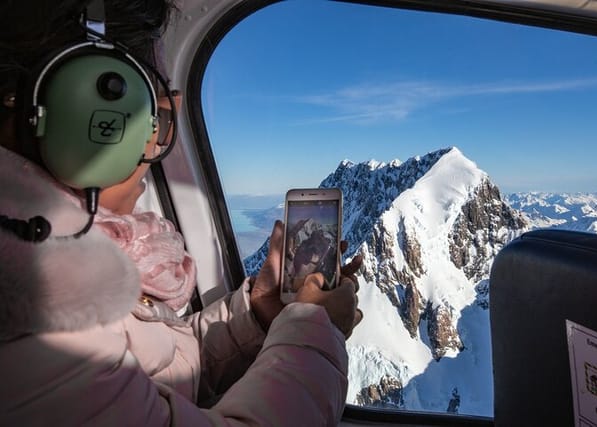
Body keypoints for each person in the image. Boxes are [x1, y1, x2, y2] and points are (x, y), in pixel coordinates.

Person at [0, 1, 363, 425]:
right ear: (85, 117)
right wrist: (314, 330)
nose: (156, 147)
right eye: (152, 117)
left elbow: (162, 371)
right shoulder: (36, 308)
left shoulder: (52, 271)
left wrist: (261, 312)